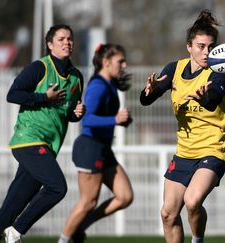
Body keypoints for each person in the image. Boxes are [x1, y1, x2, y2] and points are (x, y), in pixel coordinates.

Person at [0, 24, 85, 243]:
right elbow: (13, 94)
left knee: (10, 208)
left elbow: (67, 112)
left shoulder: (76, 77)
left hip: (47, 146)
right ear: (49, 44)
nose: (67, 42)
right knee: (57, 187)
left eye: (70, 39)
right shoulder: (39, 68)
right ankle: (16, 231)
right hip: (28, 140)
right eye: (61, 39)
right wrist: (43, 97)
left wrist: (77, 113)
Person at [140, 10, 225, 243]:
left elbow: (212, 101)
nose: (206, 52)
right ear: (188, 46)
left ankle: (197, 240)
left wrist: (203, 98)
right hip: (184, 152)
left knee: (192, 201)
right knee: (168, 214)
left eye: (211, 47)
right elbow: (148, 98)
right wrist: (148, 91)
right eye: (201, 46)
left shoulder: (219, 73)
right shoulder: (175, 69)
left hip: (213, 149)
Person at [57, 43, 133, 243]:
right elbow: (87, 119)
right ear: (106, 63)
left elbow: (105, 117)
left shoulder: (109, 84)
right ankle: (64, 240)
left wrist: (121, 121)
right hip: (90, 148)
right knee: (88, 202)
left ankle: (80, 227)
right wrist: (115, 120)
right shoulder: (98, 85)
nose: (124, 65)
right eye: (120, 61)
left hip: (103, 149)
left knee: (124, 196)